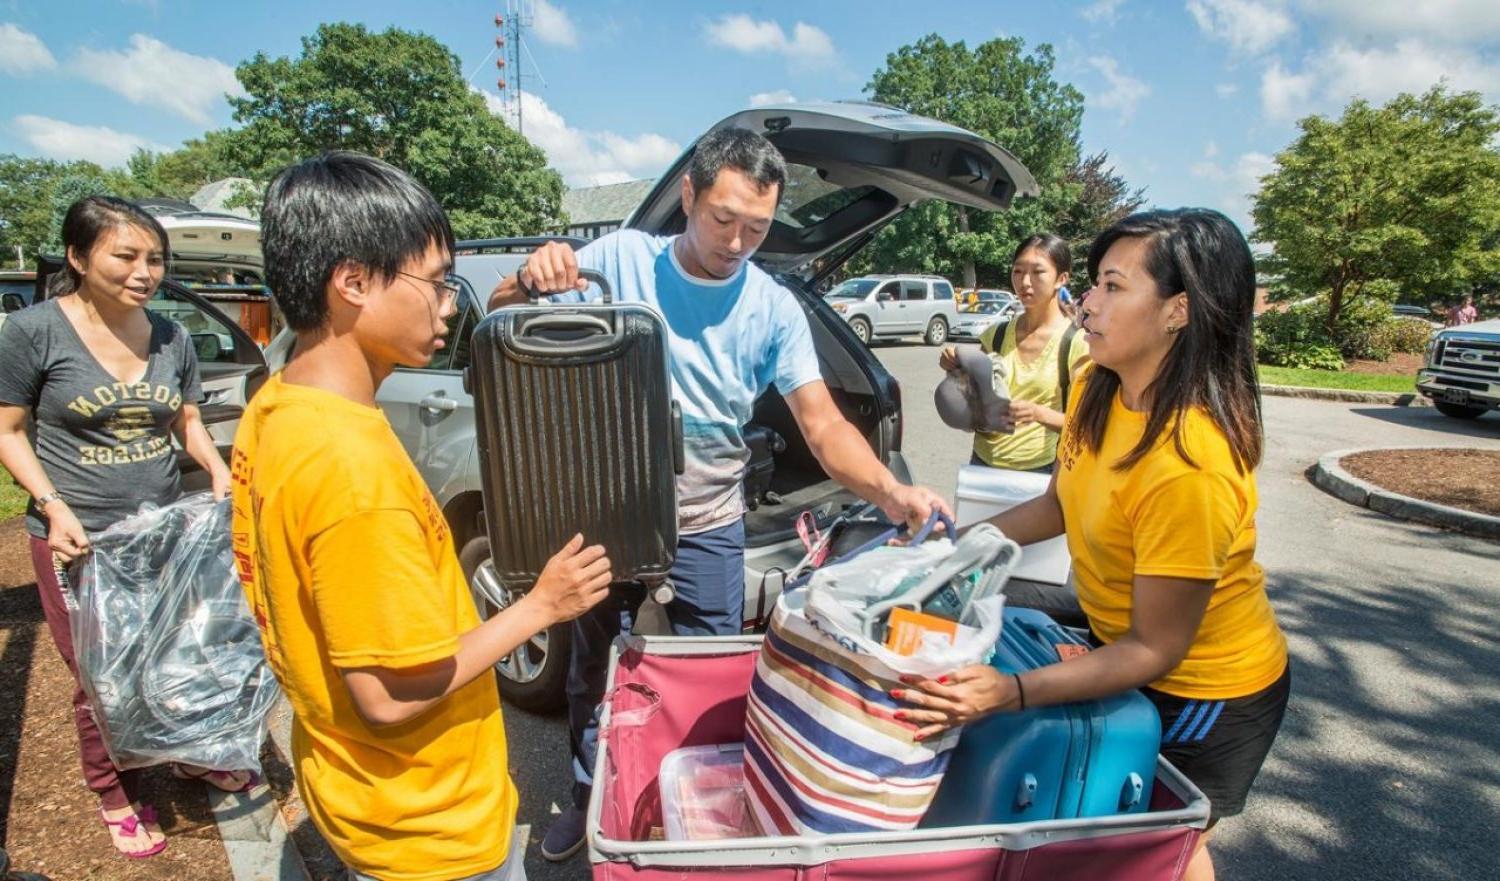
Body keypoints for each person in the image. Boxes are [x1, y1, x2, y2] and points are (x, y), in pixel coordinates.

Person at [487, 127, 951, 860]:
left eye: (757, 228)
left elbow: (823, 422)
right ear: (688, 197)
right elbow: (505, 309)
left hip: (708, 520)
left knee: (713, 673)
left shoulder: (772, 306)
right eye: (722, 219)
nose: (738, 242)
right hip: (605, 513)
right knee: (590, 667)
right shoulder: (619, 259)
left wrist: (892, 490)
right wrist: (530, 274)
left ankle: (699, 809)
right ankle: (585, 799)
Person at [230, 151, 611, 881]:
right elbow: (389, 693)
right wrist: (542, 605)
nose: (447, 304)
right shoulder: (350, 471)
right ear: (352, 281)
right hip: (429, 832)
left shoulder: (276, 406)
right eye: (434, 282)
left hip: (355, 793)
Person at [898, 209, 1290, 881]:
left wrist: (1011, 691)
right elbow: (1058, 503)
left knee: (1168, 845)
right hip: (1129, 650)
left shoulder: (1191, 465)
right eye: (1095, 284)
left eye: (1114, 286)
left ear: (1178, 311)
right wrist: (954, 543)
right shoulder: (1098, 386)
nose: (1088, 304)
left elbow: (1156, 647)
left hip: (1207, 691)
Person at [0, 195, 252, 858]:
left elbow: (189, 421)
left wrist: (216, 470)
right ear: (80, 257)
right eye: (127, 256)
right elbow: (8, 431)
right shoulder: (33, 333)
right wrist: (52, 504)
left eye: (155, 259)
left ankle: (187, 753)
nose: (145, 271)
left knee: (173, 650)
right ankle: (115, 787)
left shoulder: (171, 335)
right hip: (78, 538)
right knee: (101, 670)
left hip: (160, 528)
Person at [940, 234, 1089, 474]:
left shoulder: (1076, 344)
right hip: (982, 463)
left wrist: (1039, 413)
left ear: (1061, 279)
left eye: (1037, 272)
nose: (1025, 282)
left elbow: (1087, 425)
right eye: (1018, 271)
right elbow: (974, 392)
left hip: (1040, 471)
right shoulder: (995, 335)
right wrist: (954, 365)